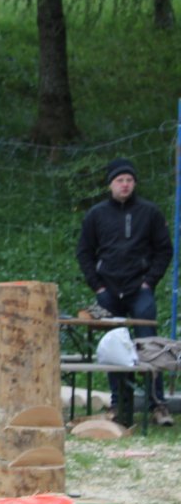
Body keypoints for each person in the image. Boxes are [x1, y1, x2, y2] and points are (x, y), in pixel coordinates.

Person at [76, 157, 174, 427]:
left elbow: (164, 250)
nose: (125, 185)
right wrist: (97, 285)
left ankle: (158, 404)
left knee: (150, 347)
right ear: (110, 184)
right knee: (114, 348)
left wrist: (149, 281)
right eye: (120, 180)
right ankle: (118, 404)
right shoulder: (96, 215)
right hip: (108, 290)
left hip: (140, 290)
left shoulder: (150, 212)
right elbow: (84, 252)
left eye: (129, 180)